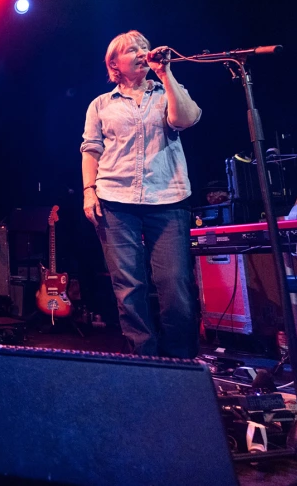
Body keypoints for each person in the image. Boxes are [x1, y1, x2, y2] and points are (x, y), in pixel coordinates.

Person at [81, 30, 202, 358]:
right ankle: (144, 360)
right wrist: (89, 192)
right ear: (114, 64)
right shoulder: (101, 105)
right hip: (115, 200)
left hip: (168, 198)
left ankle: (181, 361)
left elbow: (185, 119)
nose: (141, 53)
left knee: (174, 282)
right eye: (131, 49)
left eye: (144, 47)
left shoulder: (167, 91)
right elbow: (91, 150)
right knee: (129, 287)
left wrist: (166, 73)